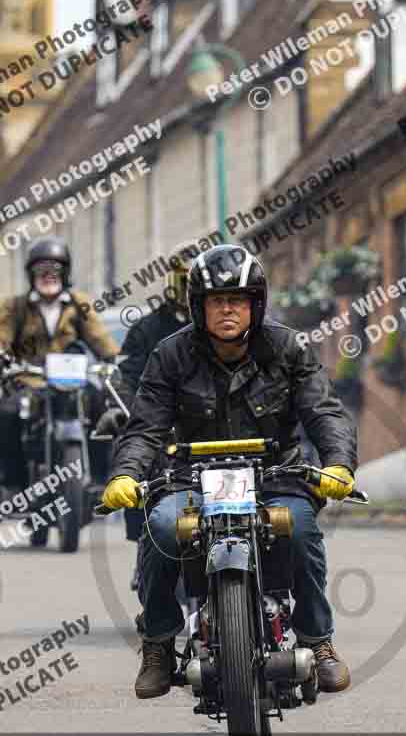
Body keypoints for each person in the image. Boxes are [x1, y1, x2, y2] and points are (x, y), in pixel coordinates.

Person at [102, 244, 358, 699]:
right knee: (161, 527)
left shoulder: (287, 348)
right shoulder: (170, 354)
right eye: (215, 300)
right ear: (197, 307)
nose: (226, 309)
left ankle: (318, 641)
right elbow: (145, 427)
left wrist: (338, 462)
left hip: (276, 475)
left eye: (236, 300)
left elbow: (325, 412)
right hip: (191, 478)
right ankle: (159, 643)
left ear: (255, 304)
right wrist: (125, 474)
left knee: (298, 528)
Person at [96, 258, 191, 592]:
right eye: (185, 281)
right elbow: (125, 376)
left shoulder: (234, 330)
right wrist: (125, 409)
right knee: (139, 463)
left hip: (215, 433)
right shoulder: (148, 329)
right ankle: (145, 548)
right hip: (161, 428)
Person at [0, 235, 119, 490]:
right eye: (40, 270)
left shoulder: (79, 304)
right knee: (7, 412)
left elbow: (99, 338)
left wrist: (111, 359)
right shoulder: (14, 307)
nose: (48, 276)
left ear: (65, 272)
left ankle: (99, 479)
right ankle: (14, 484)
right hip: (29, 379)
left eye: (54, 270)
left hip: (72, 381)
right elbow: (3, 338)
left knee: (101, 403)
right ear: (30, 274)